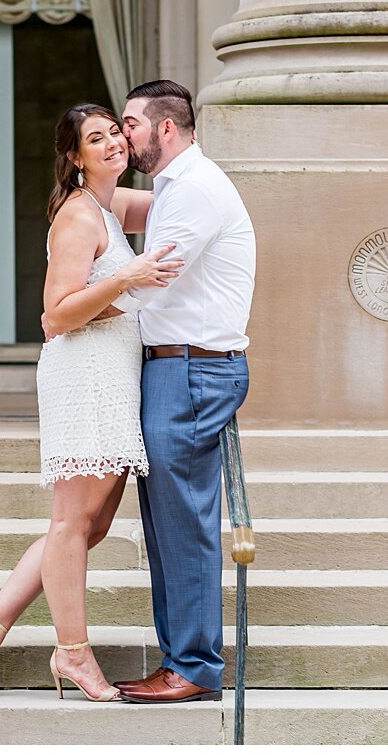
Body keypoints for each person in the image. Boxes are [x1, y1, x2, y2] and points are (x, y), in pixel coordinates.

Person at [0, 103, 181, 701]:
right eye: (95, 139)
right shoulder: (79, 216)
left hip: (115, 372)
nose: (112, 145)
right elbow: (55, 316)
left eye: (115, 134)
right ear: (74, 156)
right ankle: (73, 654)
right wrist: (128, 279)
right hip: (86, 374)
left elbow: (181, 198)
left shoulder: (113, 204)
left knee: (91, 525)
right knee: (73, 523)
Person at [107, 79, 257, 705]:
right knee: (168, 523)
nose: (123, 136)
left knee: (185, 526)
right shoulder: (174, 187)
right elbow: (113, 206)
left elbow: (150, 284)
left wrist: (70, 305)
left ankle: (194, 667)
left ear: (164, 128)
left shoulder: (193, 189)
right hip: (175, 368)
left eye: (129, 125)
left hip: (193, 371)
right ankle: (182, 660)